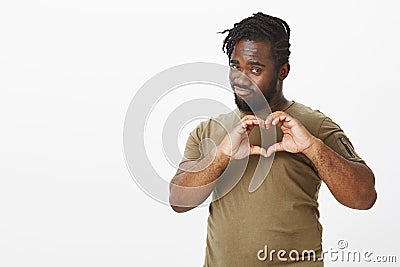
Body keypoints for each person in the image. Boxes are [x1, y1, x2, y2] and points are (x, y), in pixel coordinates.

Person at [168, 12, 377, 266]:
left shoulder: (315, 125)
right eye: (235, 67)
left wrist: (312, 147)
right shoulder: (209, 130)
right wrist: (221, 156)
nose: (241, 80)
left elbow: (364, 197)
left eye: (255, 69)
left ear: (283, 71)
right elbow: (178, 201)